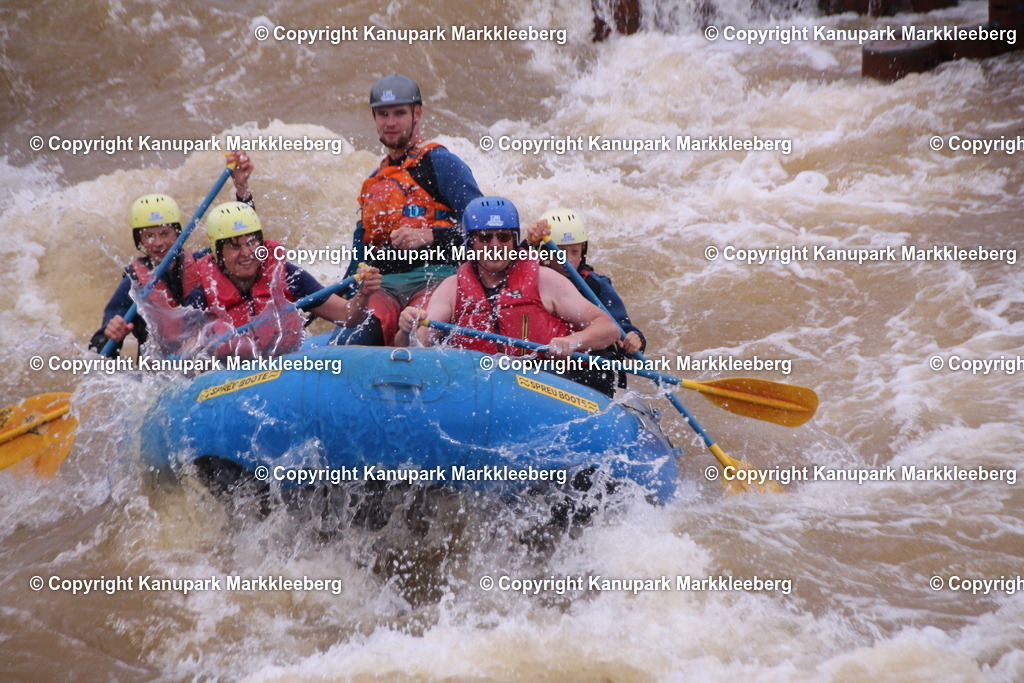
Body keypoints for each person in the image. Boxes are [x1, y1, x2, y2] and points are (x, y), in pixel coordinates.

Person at [396, 196, 620, 395]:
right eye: (485, 238)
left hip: (548, 385)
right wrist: (407, 330)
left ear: (514, 241)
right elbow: (416, 347)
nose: (495, 245)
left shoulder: (545, 280)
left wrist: (572, 341)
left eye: (503, 237)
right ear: (470, 242)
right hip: (483, 389)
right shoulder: (451, 288)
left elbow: (608, 328)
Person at [347, 74, 483, 346]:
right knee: (355, 339)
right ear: (374, 117)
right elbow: (359, 255)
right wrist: (350, 292)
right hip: (384, 285)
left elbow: (485, 231)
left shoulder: (442, 163)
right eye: (383, 114)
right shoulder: (376, 180)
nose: (391, 122)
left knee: (417, 341)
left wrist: (430, 236)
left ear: (417, 113)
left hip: (435, 279)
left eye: (399, 113)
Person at [89, 151, 255, 356]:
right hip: (164, 373)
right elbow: (99, 345)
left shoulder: (201, 262)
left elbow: (239, 240)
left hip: (205, 358)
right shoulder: (134, 284)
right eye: (149, 236)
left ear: (178, 233)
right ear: (139, 241)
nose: (158, 243)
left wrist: (241, 189)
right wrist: (111, 332)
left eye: (165, 233)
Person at [184, 201, 382, 358]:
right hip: (230, 375)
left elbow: (348, 317)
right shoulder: (202, 294)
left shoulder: (285, 274)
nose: (246, 253)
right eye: (234, 246)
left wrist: (363, 295)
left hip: (283, 366)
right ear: (218, 252)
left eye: (252, 242)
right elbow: (185, 354)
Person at [526, 208, 646, 393]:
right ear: (544, 253)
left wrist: (633, 339)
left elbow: (622, 327)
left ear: (583, 250)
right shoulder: (532, 278)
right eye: (559, 251)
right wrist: (529, 243)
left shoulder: (596, 284)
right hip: (551, 362)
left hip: (592, 364)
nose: (568, 259)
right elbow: (510, 263)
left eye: (575, 251)